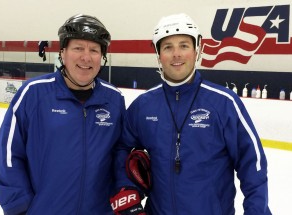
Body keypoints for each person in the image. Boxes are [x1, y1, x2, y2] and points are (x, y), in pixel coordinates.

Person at [111, 13, 272, 214]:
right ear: (158, 54)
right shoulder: (143, 106)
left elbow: (253, 166)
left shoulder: (224, 103)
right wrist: (127, 190)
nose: (176, 54)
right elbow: (121, 148)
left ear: (197, 50)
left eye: (184, 45)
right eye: (168, 47)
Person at [0, 14, 125, 215]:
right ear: (63, 53)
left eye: (94, 50)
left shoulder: (114, 99)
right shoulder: (33, 93)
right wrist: (19, 207)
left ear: (102, 57)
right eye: (78, 48)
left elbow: (121, 155)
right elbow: (8, 156)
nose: (86, 57)